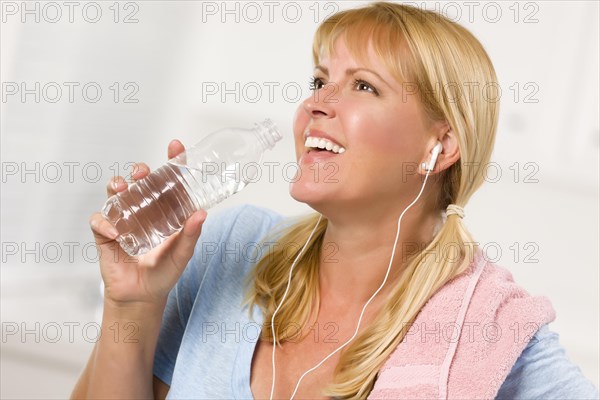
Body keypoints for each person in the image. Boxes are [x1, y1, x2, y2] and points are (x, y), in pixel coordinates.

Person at [72, 2, 599, 399]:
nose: (316, 103)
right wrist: (132, 303)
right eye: (320, 80)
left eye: (363, 87)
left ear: (440, 146)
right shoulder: (231, 248)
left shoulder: (488, 329)